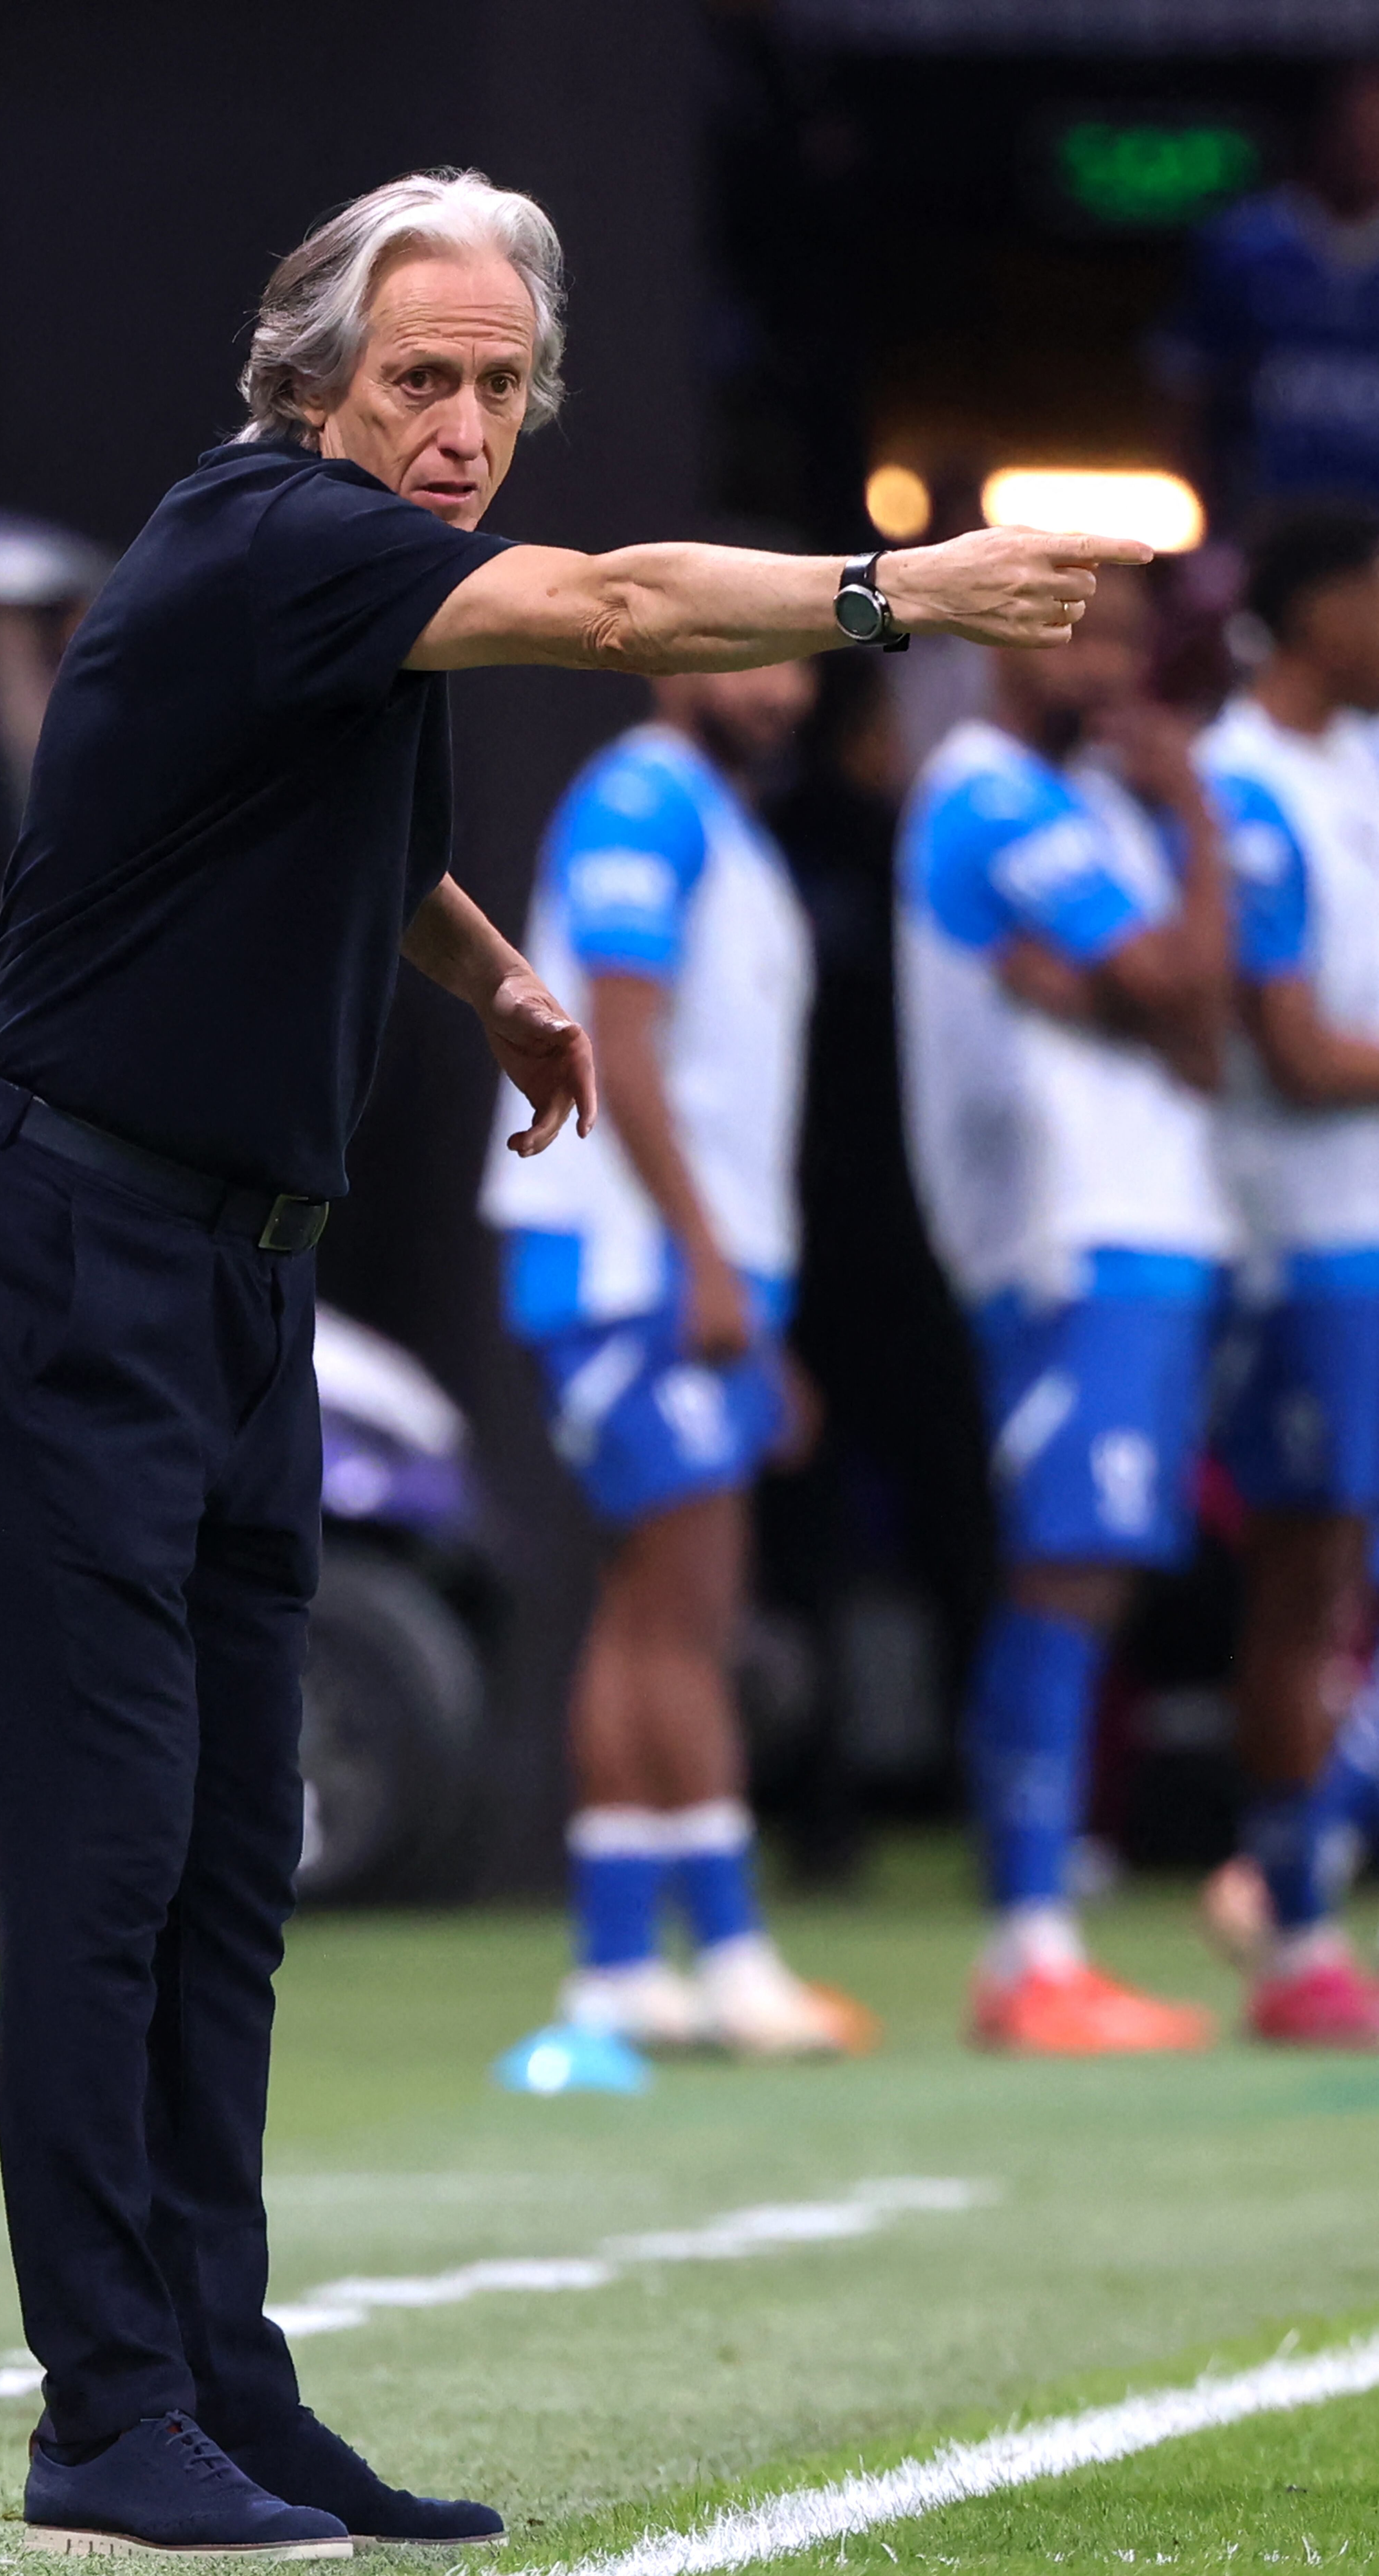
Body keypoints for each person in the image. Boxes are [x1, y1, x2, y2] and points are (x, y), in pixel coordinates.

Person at [0, 165, 1142, 2560]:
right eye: (418, 378)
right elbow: (623, 603)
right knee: (118, 1845)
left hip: (234, 1259)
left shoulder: (339, 588)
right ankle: (104, 2405)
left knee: (235, 1849)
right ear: (313, 382)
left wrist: (490, 982)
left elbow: (330, 827)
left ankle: (222, 2390)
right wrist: (908, 591)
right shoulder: (281, 534)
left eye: (492, 385)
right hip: (68, 1244)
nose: (461, 423)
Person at [481, 657, 883, 2056]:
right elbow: (620, 1044)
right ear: (668, 662)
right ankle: (720, 1949)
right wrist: (704, 1258)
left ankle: (617, 1956)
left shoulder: (716, 821)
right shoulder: (643, 798)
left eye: (791, 668)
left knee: (659, 1600)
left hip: (687, 1262)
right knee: (684, 1604)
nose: (775, 691)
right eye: (744, 658)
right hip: (629, 1258)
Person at [897, 567, 1235, 2053]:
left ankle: (1040, 1936)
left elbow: (1201, 1019)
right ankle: (1023, 1946)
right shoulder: (988, 795)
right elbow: (1173, 978)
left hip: (1143, 1225)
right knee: (1064, 1571)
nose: (1104, 669)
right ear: (991, 644)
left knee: (1092, 1573)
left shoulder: (1093, 808)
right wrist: (1200, 840)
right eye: (1071, 634)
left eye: (1122, 642)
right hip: (1062, 1232)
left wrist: (1147, 992)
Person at [1196, 503, 1379, 2044]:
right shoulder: (1239, 783)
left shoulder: (1358, 765)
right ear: (1315, 610)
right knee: (1307, 1575)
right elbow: (1297, 1049)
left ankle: (1289, 1873)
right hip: (1299, 1237)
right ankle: (1294, 1912)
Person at [1156, 63, 1379, 529]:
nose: (1367, 148)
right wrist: (1214, 518)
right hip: (1264, 522)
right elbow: (1184, 388)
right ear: (1327, 131)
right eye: (1358, 129)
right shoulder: (1243, 244)